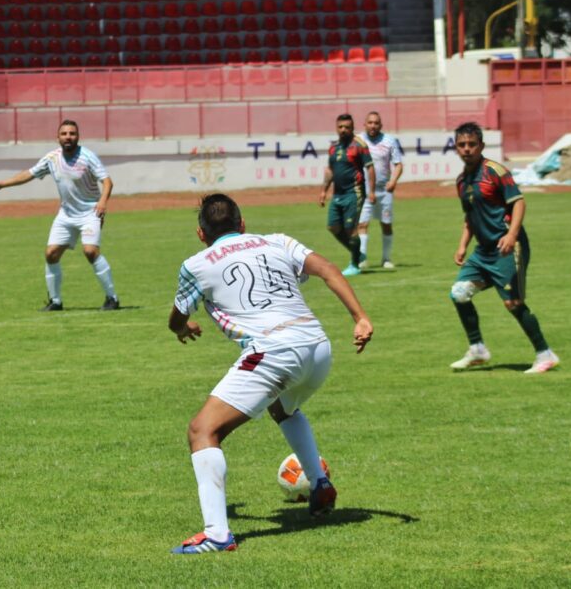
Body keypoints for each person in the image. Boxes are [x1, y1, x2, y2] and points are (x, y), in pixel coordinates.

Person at [167, 193, 373, 555]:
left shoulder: (196, 264)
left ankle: (217, 535)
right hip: (317, 347)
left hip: (273, 352)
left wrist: (184, 329)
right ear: (242, 223)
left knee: (202, 430)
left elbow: (176, 319)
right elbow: (328, 269)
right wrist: (360, 317)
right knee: (282, 408)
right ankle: (319, 483)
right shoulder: (278, 241)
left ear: (201, 234)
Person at [448, 122, 559, 374]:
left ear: (481, 146)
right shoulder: (462, 181)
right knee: (459, 293)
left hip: (509, 247)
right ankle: (477, 349)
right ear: (456, 148)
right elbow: (469, 216)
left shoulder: (495, 171)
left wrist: (511, 234)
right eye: (462, 145)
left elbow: (519, 202)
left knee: (513, 303)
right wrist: (462, 245)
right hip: (483, 251)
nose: (467, 149)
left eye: (471, 144)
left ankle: (545, 354)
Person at [0, 119, 120, 311]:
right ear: (58, 138)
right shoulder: (52, 158)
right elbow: (29, 174)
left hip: (90, 212)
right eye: (64, 134)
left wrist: (103, 202)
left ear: (78, 136)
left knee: (90, 251)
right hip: (66, 214)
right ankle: (55, 302)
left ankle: (112, 298)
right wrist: (2, 184)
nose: (68, 137)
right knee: (51, 254)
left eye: (72, 133)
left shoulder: (88, 157)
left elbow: (107, 182)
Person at [319, 114, 375, 277]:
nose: (343, 130)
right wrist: (323, 190)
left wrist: (372, 191)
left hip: (354, 192)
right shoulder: (333, 147)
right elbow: (330, 170)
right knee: (333, 226)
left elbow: (370, 168)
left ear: (352, 128)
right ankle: (357, 253)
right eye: (340, 127)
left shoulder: (359, 145)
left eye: (347, 127)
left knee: (351, 229)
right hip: (337, 194)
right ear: (336, 128)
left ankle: (355, 265)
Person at [356, 112, 403, 269]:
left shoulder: (389, 141)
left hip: (384, 191)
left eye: (376, 123)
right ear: (364, 124)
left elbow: (398, 164)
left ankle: (386, 259)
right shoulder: (358, 140)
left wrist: (393, 181)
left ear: (380, 125)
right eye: (370, 122)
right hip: (363, 191)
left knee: (386, 224)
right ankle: (362, 258)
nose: (373, 126)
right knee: (362, 224)